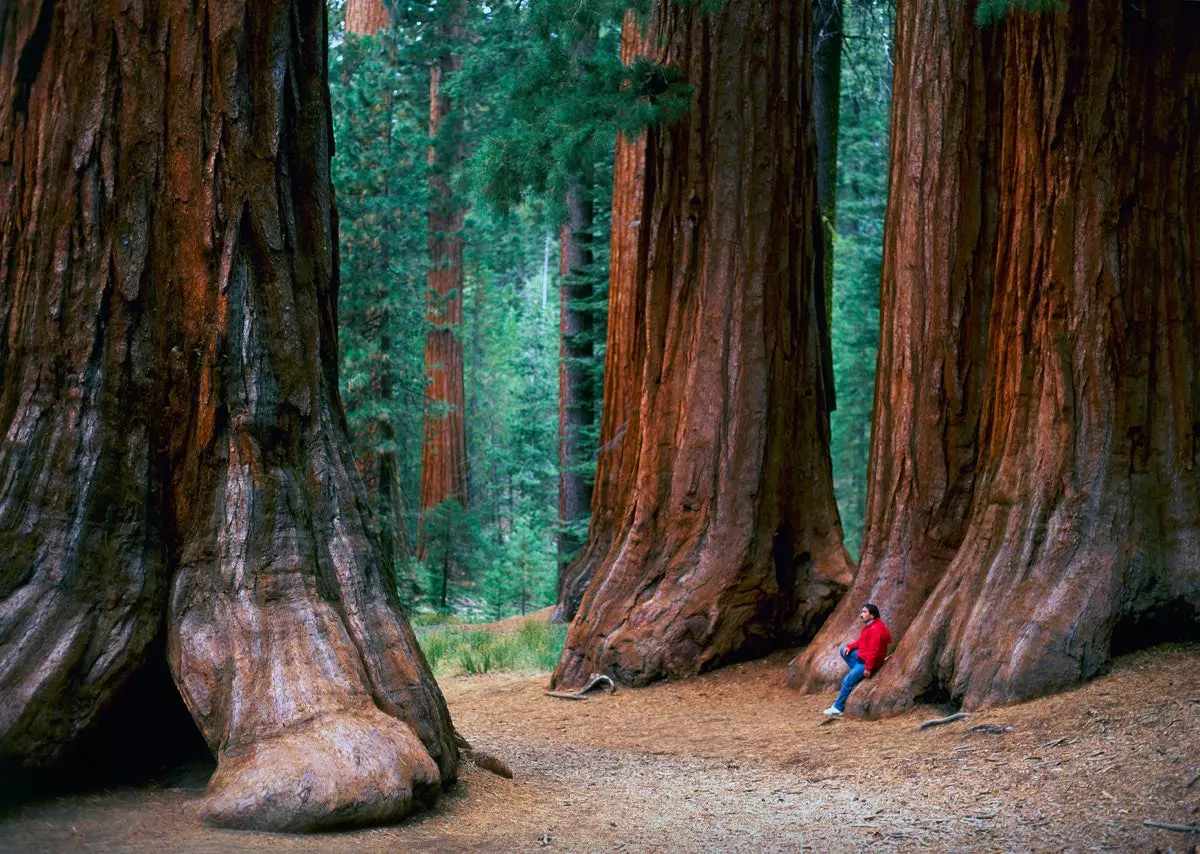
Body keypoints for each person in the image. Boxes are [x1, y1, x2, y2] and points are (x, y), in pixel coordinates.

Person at [823, 603, 892, 716]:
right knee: (843, 651)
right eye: (862, 612)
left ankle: (838, 708)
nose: (861, 614)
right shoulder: (871, 625)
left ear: (872, 615)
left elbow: (873, 651)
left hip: (868, 662)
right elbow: (861, 642)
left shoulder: (875, 629)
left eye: (865, 612)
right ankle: (857, 675)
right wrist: (850, 647)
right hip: (863, 657)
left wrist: (868, 668)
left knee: (846, 681)